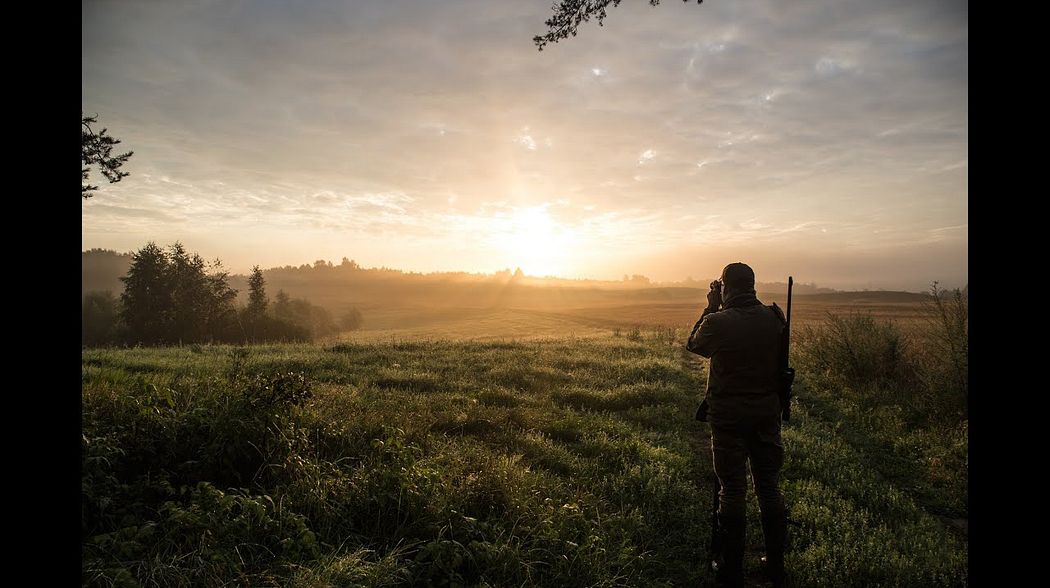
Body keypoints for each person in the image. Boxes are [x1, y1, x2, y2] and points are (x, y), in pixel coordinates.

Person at [686, 262, 788, 588]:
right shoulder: (775, 318)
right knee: (768, 486)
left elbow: (694, 344)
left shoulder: (718, 322)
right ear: (753, 285)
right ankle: (775, 564)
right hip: (766, 414)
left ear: (726, 287)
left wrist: (710, 306)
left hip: (728, 418)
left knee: (732, 489)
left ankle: (731, 569)